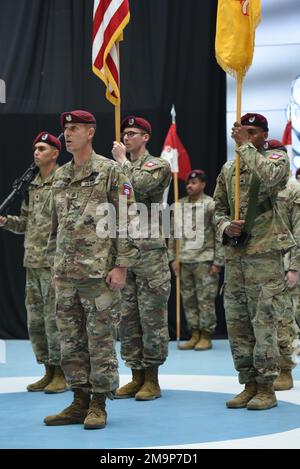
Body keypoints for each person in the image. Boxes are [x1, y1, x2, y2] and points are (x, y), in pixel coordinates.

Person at [43, 110, 138, 430]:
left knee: (99, 340)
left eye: (74, 128)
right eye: (65, 129)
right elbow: (55, 227)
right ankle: (79, 400)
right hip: (66, 273)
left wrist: (122, 265)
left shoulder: (110, 172)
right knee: (69, 341)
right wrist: (54, 267)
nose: (67, 134)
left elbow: (127, 220)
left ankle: (99, 402)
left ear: (90, 132)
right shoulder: (60, 175)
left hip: (99, 273)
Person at [213, 113, 295, 410]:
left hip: (264, 257)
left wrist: (246, 146)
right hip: (235, 257)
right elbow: (216, 208)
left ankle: (266, 387)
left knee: (264, 324)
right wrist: (225, 227)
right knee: (238, 325)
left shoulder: (276, 159)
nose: (246, 136)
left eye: (252, 132)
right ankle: (248, 383)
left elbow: (272, 178)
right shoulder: (228, 169)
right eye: (242, 131)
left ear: (263, 134)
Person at [0, 132, 67, 393]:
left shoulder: (63, 181)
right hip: (33, 261)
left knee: (55, 321)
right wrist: (8, 223)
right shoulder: (34, 185)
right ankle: (48, 370)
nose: (36, 153)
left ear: (55, 153)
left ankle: (61, 372)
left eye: (42, 148)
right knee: (36, 322)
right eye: (35, 148)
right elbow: (28, 222)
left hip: (53, 264)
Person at [111, 115, 171, 401]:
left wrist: (122, 162)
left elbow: (141, 187)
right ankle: (135, 375)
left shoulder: (157, 165)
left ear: (146, 137)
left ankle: (152, 379)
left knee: (152, 317)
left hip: (150, 253)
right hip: (124, 250)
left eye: (133, 133)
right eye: (125, 133)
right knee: (128, 318)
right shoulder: (117, 167)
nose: (127, 137)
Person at [168, 170, 223, 350]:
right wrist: (172, 258)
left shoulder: (210, 205)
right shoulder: (179, 205)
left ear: (203, 184)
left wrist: (218, 261)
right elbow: (172, 234)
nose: (190, 186)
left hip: (204, 259)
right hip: (183, 260)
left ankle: (206, 335)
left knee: (205, 299)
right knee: (188, 300)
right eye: (188, 183)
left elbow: (219, 235)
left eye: (195, 183)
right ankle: (194, 333)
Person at [273, 139, 300, 390]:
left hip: (284, 262)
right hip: (262, 261)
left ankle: (285, 369)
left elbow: (298, 232)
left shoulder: (293, 188)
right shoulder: (260, 187)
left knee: (284, 319)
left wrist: (293, 267)